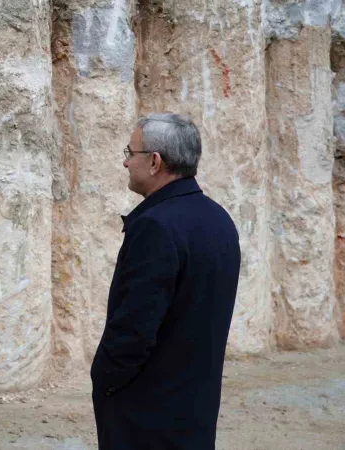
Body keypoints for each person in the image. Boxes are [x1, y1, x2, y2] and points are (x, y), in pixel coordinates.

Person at [90, 113, 241, 449]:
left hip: (148, 413)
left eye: (131, 153)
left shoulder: (155, 226)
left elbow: (134, 328)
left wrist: (105, 378)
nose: (126, 163)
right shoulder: (218, 218)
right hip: (194, 408)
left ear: (155, 161)